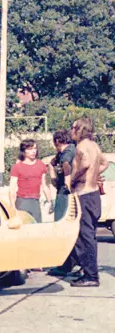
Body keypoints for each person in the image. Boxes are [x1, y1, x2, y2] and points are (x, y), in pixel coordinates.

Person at [68, 117, 108, 287]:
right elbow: (104, 163)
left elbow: (84, 164)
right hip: (93, 195)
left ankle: (91, 276)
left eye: (73, 127)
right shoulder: (94, 146)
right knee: (89, 235)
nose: (71, 130)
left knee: (85, 237)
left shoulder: (81, 146)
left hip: (84, 194)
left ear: (79, 129)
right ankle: (87, 271)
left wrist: (73, 179)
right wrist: (94, 174)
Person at [47, 130, 79, 277]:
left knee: (62, 226)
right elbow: (52, 163)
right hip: (64, 190)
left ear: (57, 141)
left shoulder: (67, 152)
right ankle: (70, 263)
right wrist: (53, 175)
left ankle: (67, 264)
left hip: (65, 193)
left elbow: (66, 165)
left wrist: (66, 182)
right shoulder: (68, 150)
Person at [9, 139, 53, 222]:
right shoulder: (17, 167)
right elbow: (12, 188)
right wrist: (12, 205)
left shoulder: (41, 165)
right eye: (30, 149)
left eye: (35, 148)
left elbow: (44, 185)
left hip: (35, 202)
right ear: (24, 151)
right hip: (22, 201)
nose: (33, 151)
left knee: (36, 227)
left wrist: (50, 201)